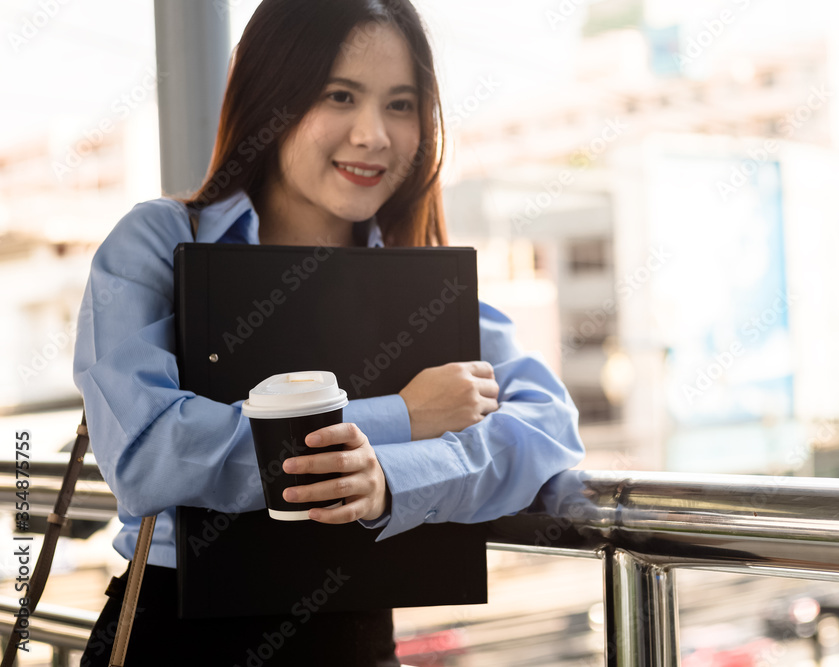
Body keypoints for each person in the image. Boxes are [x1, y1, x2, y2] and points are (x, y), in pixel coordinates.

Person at [72, 0, 585, 665]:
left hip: (356, 642)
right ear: (272, 94)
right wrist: (401, 417)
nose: (374, 134)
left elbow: (549, 428)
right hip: (176, 639)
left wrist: (392, 478)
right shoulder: (162, 241)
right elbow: (145, 450)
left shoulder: (418, 284)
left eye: (401, 104)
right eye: (340, 95)